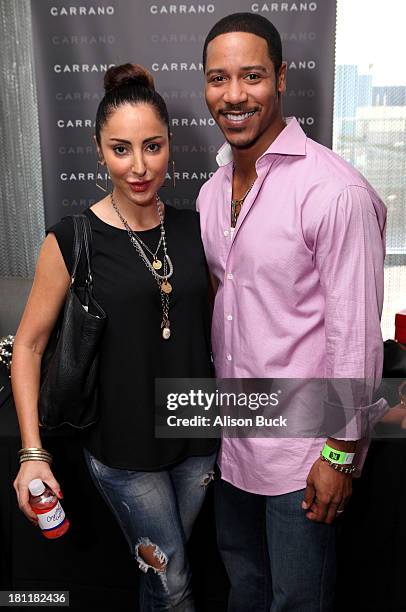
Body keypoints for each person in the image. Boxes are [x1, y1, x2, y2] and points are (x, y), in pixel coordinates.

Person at [197, 13, 387, 611]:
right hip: (233, 447)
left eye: (251, 76)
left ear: (280, 79)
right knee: (246, 593)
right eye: (217, 79)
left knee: (297, 602)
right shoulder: (211, 191)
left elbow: (355, 340)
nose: (233, 96)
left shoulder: (335, 192)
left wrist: (339, 454)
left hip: (304, 457)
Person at [12, 63, 218, 612]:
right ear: (99, 150)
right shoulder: (71, 239)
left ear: (171, 144)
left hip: (199, 441)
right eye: (121, 149)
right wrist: (33, 454)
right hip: (125, 453)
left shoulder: (197, 229)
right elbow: (28, 347)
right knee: (173, 582)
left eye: (152, 146)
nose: (139, 166)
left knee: (163, 577)